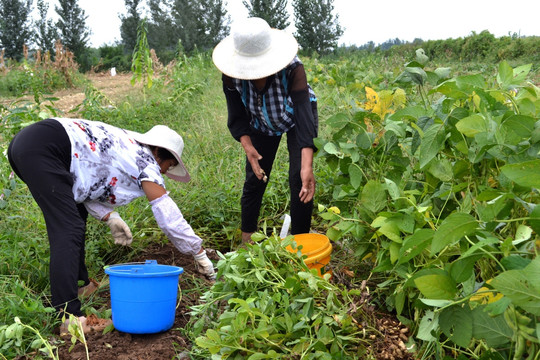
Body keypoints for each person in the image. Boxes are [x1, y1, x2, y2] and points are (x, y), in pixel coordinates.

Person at [7, 117, 216, 333]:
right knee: (68, 228)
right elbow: (169, 218)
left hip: (31, 143)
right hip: (44, 148)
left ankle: (81, 285)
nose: (164, 172)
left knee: (75, 216)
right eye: (168, 166)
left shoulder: (126, 146)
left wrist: (109, 216)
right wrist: (198, 252)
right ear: (159, 153)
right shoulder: (147, 164)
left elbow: (84, 184)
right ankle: (69, 317)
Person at [212, 17, 318, 243]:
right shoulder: (231, 75)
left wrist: (307, 167)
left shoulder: (292, 69)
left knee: (300, 179)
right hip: (260, 123)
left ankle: (301, 243)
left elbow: (304, 115)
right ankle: (246, 241)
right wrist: (248, 147)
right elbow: (237, 115)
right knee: (255, 179)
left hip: (296, 119)